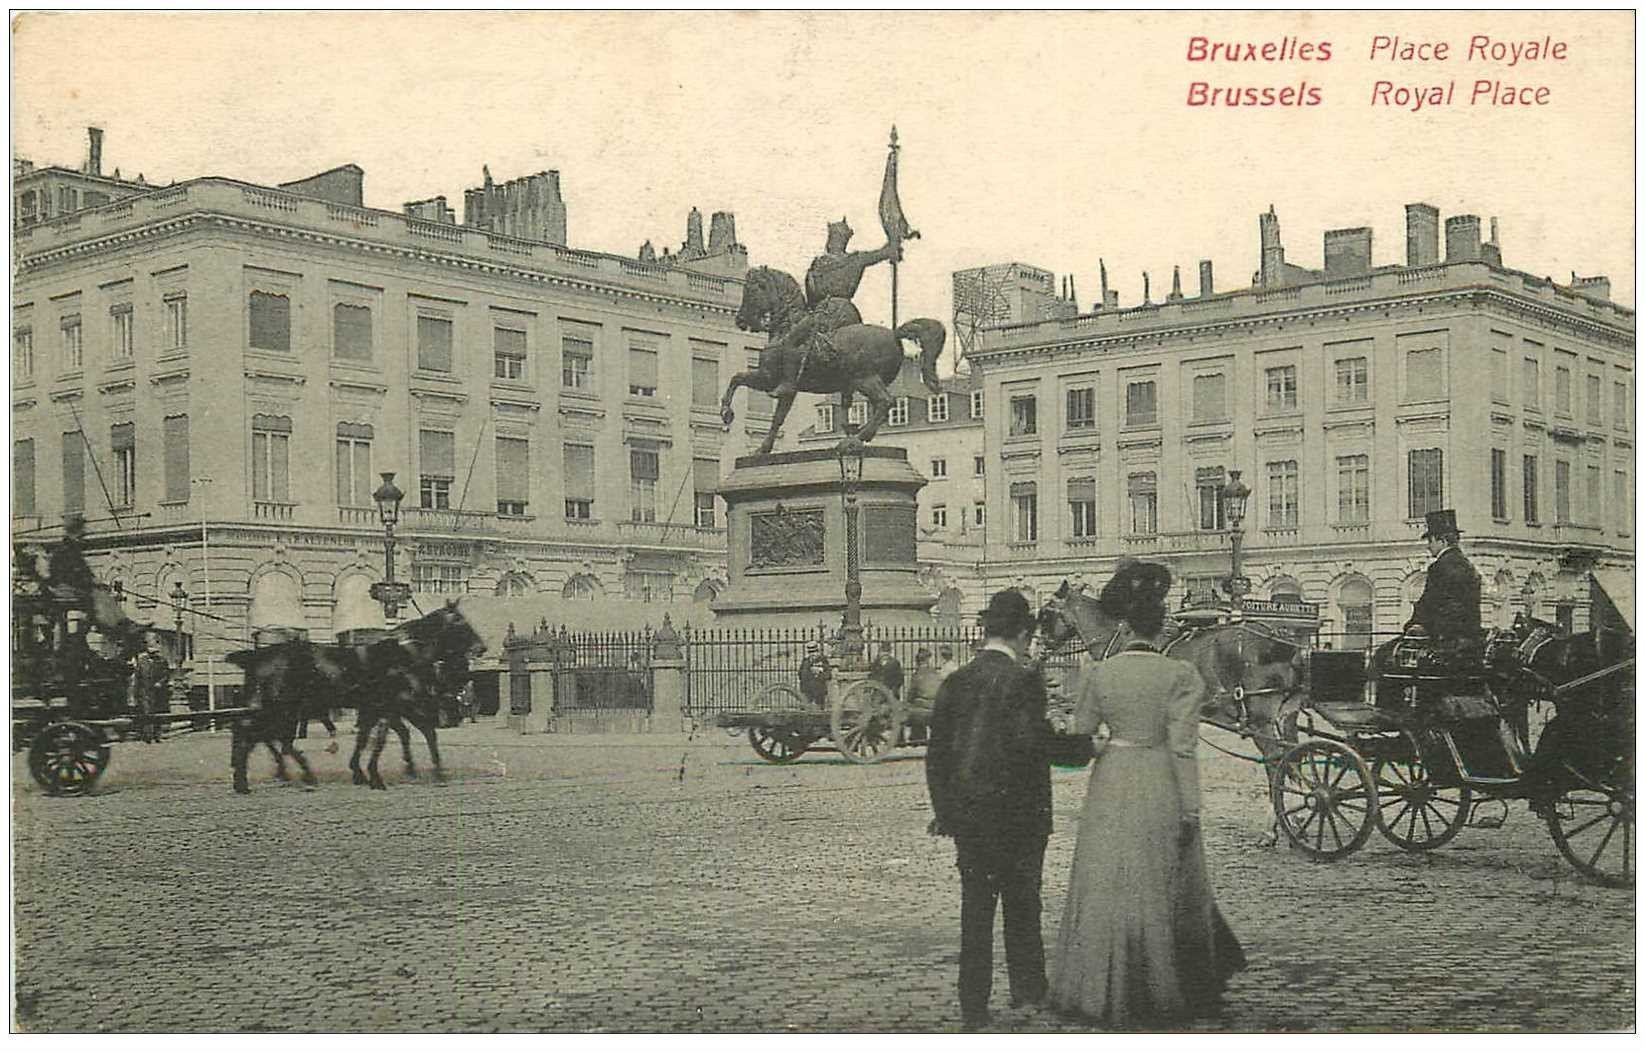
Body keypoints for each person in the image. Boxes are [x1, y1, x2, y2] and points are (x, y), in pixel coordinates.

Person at [1049, 561, 1245, 1027]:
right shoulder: (1180, 677)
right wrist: (1191, 809)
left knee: (1107, 875)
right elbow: (1182, 749)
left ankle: (1098, 984)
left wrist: (1065, 729)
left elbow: (1080, 730)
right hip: (1159, 776)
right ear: (1163, 628)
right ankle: (1174, 980)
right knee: (1169, 882)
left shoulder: (1100, 673)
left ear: (1123, 624)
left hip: (1113, 776)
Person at [926, 589, 1054, 1029]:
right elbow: (1032, 747)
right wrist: (1083, 747)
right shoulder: (1024, 681)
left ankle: (974, 1003)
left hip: (971, 818)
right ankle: (1028, 990)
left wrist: (945, 811)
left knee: (975, 913)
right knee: (1023, 906)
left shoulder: (955, 681)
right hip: (1020, 817)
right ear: (1022, 633)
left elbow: (937, 756)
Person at [131, 631, 172, 744]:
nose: (151, 651)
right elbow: (137, 677)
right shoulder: (142, 661)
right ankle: (147, 736)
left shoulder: (162, 661)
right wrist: (135, 693)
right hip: (144, 691)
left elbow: (166, 675)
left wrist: (160, 683)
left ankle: (157, 735)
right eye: (149, 648)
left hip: (158, 691)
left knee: (157, 713)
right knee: (146, 713)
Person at [798, 640, 832, 709]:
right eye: (810, 652)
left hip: (819, 691)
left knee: (819, 711)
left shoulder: (823, 660)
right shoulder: (805, 661)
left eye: (814, 652)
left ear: (817, 651)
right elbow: (800, 674)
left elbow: (828, 675)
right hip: (807, 691)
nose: (813, 654)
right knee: (806, 710)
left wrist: (819, 673)